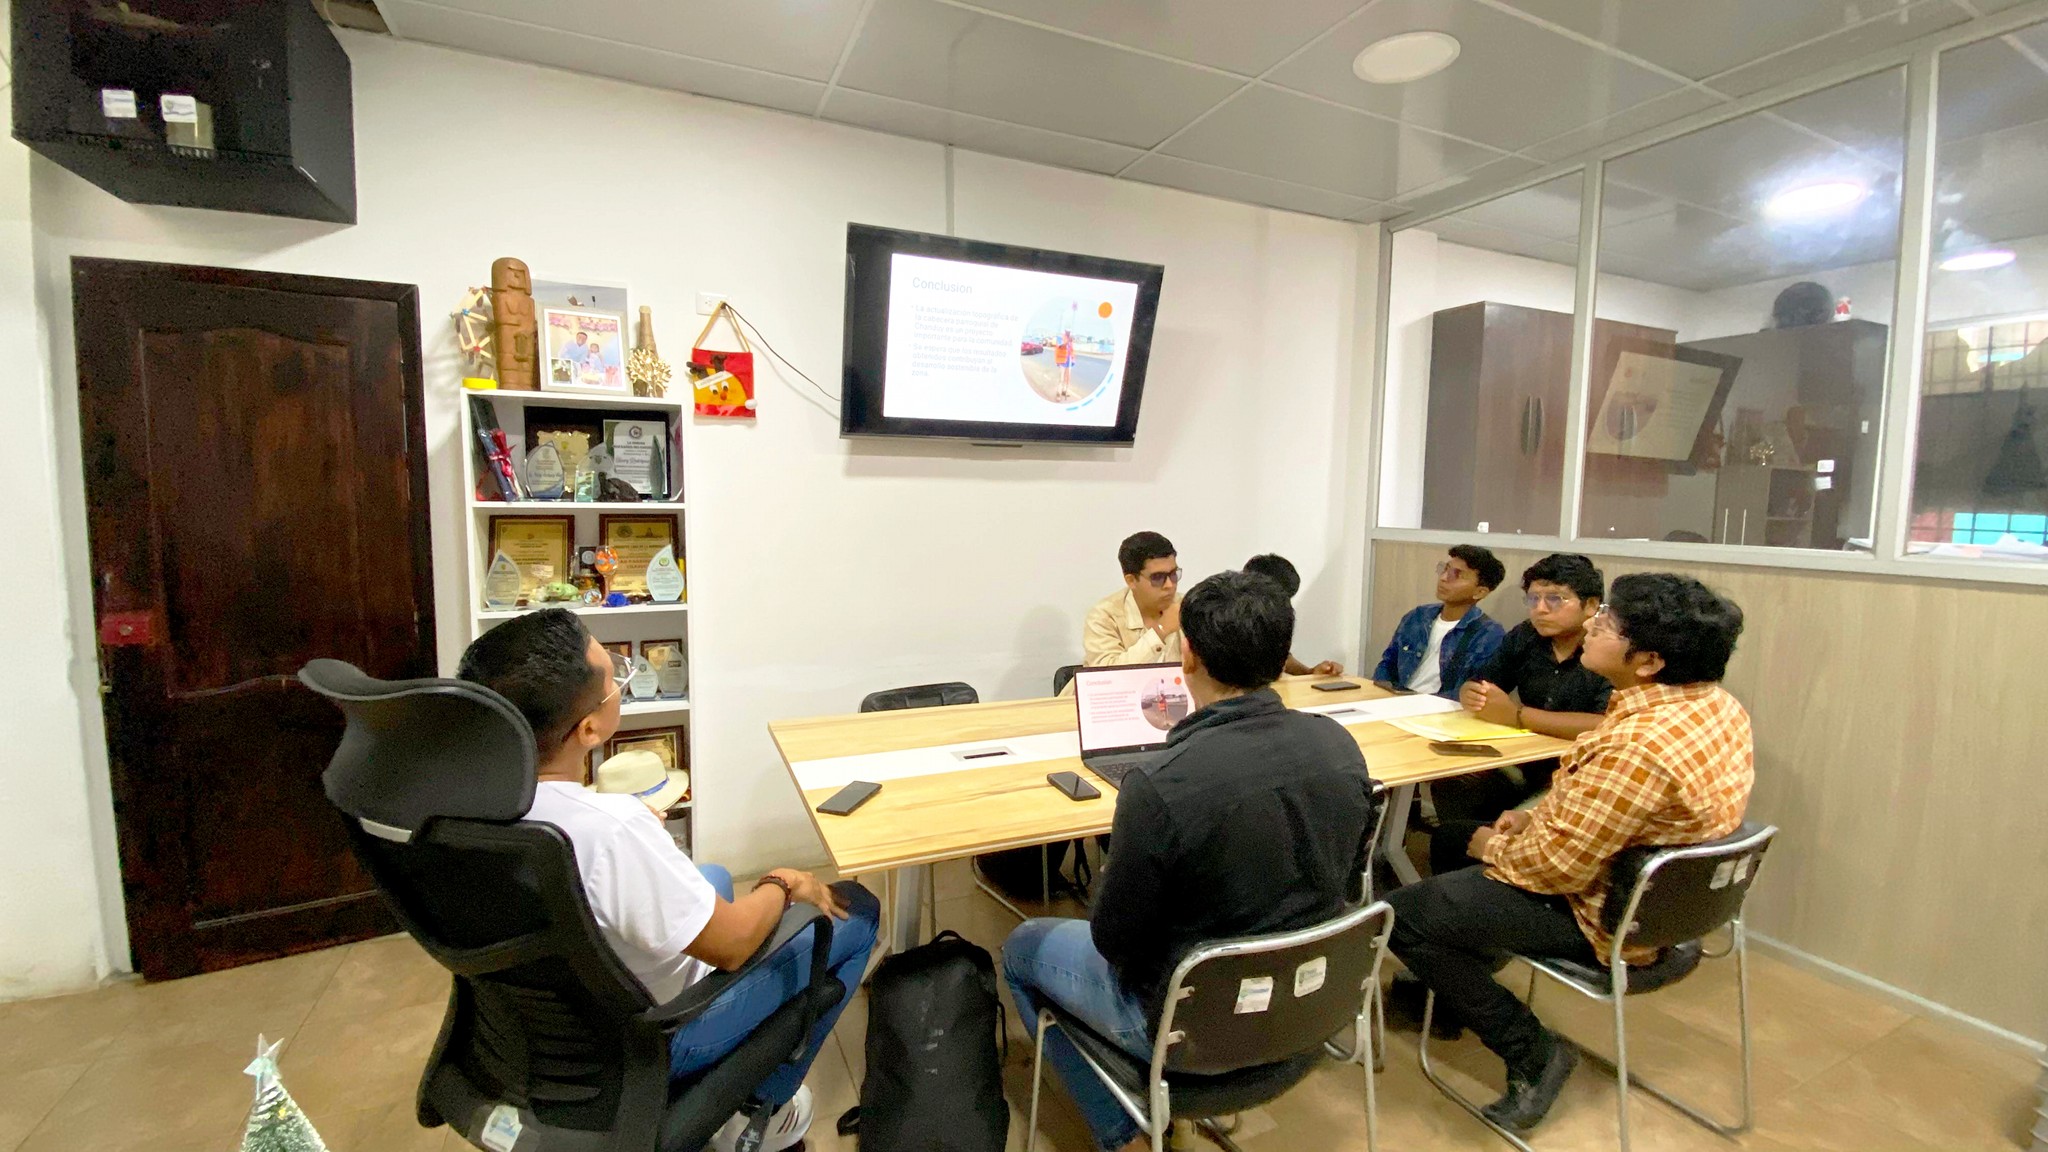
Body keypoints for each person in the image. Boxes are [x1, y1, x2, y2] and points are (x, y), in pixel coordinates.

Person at [458, 609, 878, 1152]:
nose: (619, 680)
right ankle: (760, 1109)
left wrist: (642, 846)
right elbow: (733, 944)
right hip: (656, 1037)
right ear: (589, 729)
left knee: (713, 876)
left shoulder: (463, 805)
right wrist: (782, 880)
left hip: (538, 1032)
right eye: (612, 678)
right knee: (856, 909)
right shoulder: (610, 830)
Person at [1004, 571, 1379, 1152]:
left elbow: (1113, 941)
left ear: (1188, 656)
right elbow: (1349, 876)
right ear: (1282, 655)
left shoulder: (1160, 782)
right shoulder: (1340, 746)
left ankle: (1124, 1134)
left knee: (1021, 947)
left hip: (1189, 1031)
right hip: (1310, 1010)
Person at [1385, 573, 1753, 1134]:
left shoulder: (1638, 746)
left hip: (1608, 916)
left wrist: (1495, 844)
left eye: (1607, 622)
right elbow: (1607, 807)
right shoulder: (1715, 706)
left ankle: (1533, 1053)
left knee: (1402, 914)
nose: (1593, 625)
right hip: (1670, 904)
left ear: (1648, 661)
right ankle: (1454, 977)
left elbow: (1552, 870)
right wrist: (1532, 817)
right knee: (1452, 840)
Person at [1433, 554, 1612, 845]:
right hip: (1525, 759)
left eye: (1554, 599)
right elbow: (1484, 681)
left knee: (1503, 827)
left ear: (1591, 605)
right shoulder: (1526, 636)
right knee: (1455, 777)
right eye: (1533, 599)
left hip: (1579, 775)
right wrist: (1472, 693)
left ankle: (1498, 850)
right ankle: (1472, 850)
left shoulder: (1606, 648)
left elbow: (1605, 724)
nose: (1540, 609)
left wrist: (1518, 716)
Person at [1369, 544, 1506, 698]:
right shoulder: (1418, 617)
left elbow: (1469, 692)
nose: (1443, 578)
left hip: (1441, 708)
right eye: (1445, 569)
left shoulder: (1488, 634)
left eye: (1457, 575)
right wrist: (1382, 695)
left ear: (1480, 592)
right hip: (1395, 699)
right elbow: (1388, 664)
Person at [1081, 531, 1183, 670]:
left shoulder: (1190, 606)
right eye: (1158, 577)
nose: (1169, 585)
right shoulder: (1104, 615)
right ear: (1131, 580)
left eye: (1173, 574)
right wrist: (1161, 630)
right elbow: (1106, 676)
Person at [1242, 553, 1345, 676]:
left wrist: (1310, 673)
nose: (1283, 607)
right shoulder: (1229, 621)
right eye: (1276, 600)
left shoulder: (1275, 620)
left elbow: (1280, 656)